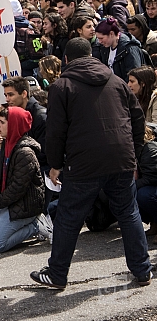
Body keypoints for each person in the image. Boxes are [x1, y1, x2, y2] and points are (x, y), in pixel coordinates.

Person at [30, 38, 152, 289]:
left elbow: (55, 131)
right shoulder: (117, 80)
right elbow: (137, 118)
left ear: (66, 59)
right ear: (92, 55)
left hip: (83, 163)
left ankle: (57, 274)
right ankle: (142, 270)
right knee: (129, 214)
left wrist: (54, 164)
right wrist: (134, 152)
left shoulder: (61, 86)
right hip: (121, 158)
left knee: (68, 217)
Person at [0, 107, 52, 253]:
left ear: (14, 125)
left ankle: (36, 225)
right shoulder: (8, 143)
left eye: (2, 122)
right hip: (10, 203)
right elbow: (4, 173)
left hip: (25, 205)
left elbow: (18, 187)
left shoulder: (25, 153)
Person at [2, 76, 47, 169]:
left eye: (10, 95)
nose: (7, 99)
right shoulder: (15, 114)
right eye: (5, 95)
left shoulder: (40, 117)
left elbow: (44, 152)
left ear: (24, 94)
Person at [94, 16, 143, 82]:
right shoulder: (104, 48)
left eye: (101, 38)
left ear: (111, 33)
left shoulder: (129, 49)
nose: (99, 42)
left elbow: (134, 75)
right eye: (98, 39)